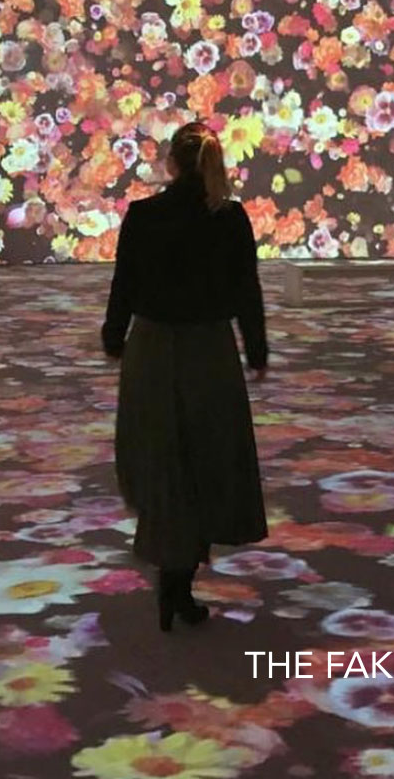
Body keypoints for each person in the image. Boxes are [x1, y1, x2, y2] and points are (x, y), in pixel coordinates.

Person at [102, 121, 270, 632]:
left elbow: (124, 283)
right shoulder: (229, 218)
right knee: (205, 460)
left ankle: (171, 575)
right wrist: (256, 348)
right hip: (209, 351)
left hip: (151, 350)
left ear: (171, 163)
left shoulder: (144, 215)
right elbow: (246, 290)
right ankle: (180, 581)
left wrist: (113, 335)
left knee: (161, 461)